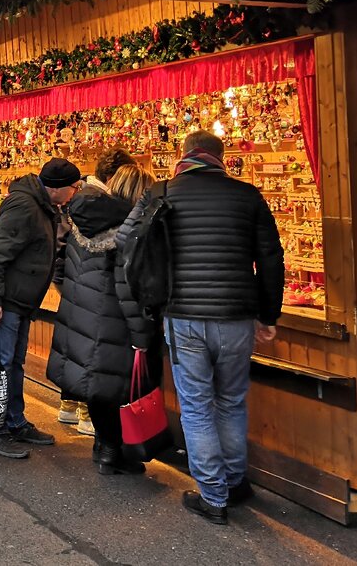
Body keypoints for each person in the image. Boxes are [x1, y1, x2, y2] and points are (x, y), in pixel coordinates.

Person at [117, 131, 283, 525]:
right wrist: (268, 315)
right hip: (237, 316)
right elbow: (271, 260)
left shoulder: (162, 191)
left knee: (196, 405)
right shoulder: (248, 196)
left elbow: (126, 241)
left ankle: (213, 495)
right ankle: (235, 481)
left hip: (184, 314)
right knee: (231, 400)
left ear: (184, 154)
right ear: (220, 157)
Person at [47, 162, 156, 476]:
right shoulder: (128, 232)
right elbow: (128, 286)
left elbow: (59, 265)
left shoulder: (80, 219)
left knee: (95, 383)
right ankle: (112, 450)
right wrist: (142, 333)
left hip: (80, 312)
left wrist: (76, 296)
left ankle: (103, 446)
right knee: (113, 385)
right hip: (113, 317)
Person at [0, 157, 83, 459]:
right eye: (74, 187)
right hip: (4, 300)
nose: (75, 192)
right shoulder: (24, 206)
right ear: (58, 188)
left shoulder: (42, 207)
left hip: (17, 301)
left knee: (12, 363)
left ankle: (14, 421)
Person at [57, 149, 138, 433]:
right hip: (102, 298)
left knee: (82, 351)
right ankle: (90, 417)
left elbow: (62, 251)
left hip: (79, 292)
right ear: (113, 177)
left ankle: (75, 408)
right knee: (97, 357)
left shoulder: (80, 202)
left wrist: (67, 286)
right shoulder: (113, 211)